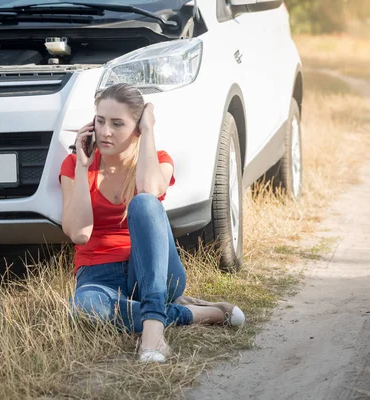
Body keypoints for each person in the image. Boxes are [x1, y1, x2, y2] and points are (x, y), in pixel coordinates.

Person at [59, 83, 245, 363]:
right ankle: (196, 313)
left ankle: (154, 330)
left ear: (137, 128)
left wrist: (149, 131)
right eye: (100, 121)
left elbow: (148, 190)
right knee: (84, 308)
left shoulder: (158, 160)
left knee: (144, 202)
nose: (105, 131)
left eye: (117, 123)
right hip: (98, 278)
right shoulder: (75, 164)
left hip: (153, 271)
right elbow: (79, 233)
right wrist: (83, 166)